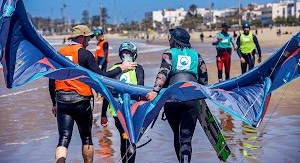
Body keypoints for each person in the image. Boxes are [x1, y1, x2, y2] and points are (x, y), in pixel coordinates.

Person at [48, 25, 137, 163]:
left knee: (64, 138)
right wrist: (121, 68)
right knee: (87, 138)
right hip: (81, 100)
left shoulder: (58, 53)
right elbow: (101, 77)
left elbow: (51, 80)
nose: (90, 40)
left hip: (62, 100)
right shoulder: (85, 54)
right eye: (88, 37)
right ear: (82, 37)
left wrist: (54, 103)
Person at [146, 27, 208, 163]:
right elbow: (204, 77)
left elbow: (163, 72)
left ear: (175, 40)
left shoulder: (169, 54)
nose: (169, 39)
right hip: (191, 98)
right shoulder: (197, 56)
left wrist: (155, 91)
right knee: (185, 138)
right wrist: (202, 95)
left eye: (171, 37)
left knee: (176, 134)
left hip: (172, 99)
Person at [101, 41, 144, 163]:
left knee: (123, 137)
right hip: (132, 111)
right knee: (131, 139)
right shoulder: (138, 68)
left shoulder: (114, 69)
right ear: (134, 54)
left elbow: (107, 93)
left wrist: (103, 114)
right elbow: (141, 89)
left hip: (117, 112)